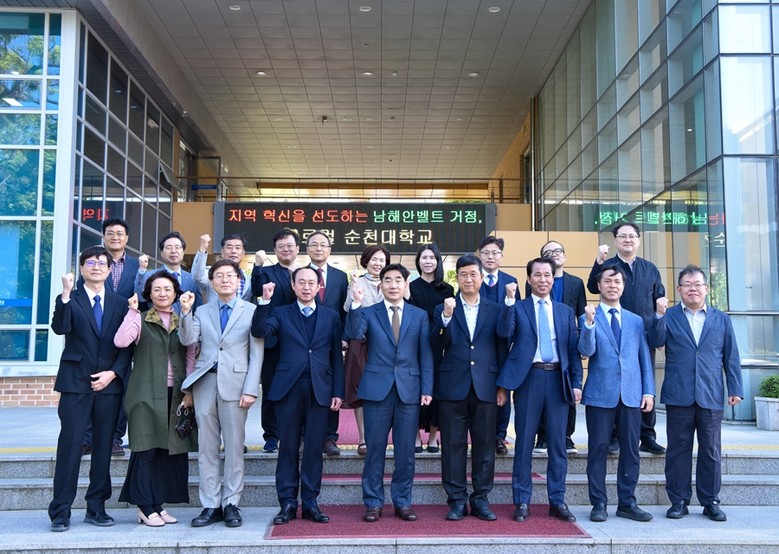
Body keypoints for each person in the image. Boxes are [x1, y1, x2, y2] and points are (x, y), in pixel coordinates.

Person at [648, 265, 743, 522]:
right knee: (678, 449)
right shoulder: (669, 316)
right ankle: (678, 500)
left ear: (706, 289)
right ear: (679, 289)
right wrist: (658, 316)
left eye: (697, 284)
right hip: (679, 393)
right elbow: (656, 341)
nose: (692, 288)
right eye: (687, 284)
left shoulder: (721, 319)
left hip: (711, 393)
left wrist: (735, 388)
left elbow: (731, 356)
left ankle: (710, 501)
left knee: (711, 450)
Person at [48, 246, 133, 532]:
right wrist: (65, 293)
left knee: (103, 449)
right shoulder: (69, 298)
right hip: (75, 383)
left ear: (109, 270)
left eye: (102, 263)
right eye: (91, 262)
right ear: (82, 268)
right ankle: (61, 510)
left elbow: (127, 346)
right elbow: (60, 328)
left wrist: (113, 373)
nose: (96, 267)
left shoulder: (120, 304)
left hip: (109, 386)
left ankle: (96, 507)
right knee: (70, 446)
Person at [251, 267, 345, 525]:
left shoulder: (331, 316)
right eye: (301, 282)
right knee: (288, 447)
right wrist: (264, 301)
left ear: (319, 286)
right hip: (288, 389)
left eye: (311, 283)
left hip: (320, 388)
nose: (306, 287)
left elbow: (336, 356)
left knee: (314, 447)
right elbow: (259, 331)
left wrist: (338, 391)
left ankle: (311, 502)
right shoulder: (280, 312)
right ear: (293, 286)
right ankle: (288, 503)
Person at [497, 257, 583, 523]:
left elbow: (572, 350)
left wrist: (576, 383)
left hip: (558, 380)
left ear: (553, 278)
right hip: (529, 380)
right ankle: (522, 501)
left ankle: (557, 501)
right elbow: (504, 333)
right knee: (524, 444)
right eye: (537, 275)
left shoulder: (565, 311)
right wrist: (509, 301)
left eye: (547, 275)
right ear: (529, 279)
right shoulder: (518, 307)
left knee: (558, 445)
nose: (543, 280)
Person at [346, 263, 434, 523]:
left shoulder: (419, 315)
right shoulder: (368, 312)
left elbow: (425, 354)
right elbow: (354, 334)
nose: (393, 285)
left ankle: (402, 502)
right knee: (375, 450)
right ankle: (373, 503)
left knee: (406, 452)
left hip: (409, 390)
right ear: (380, 285)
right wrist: (355, 304)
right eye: (388, 280)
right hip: (377, 390)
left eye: (398, 280)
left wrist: (427, 388)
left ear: (406, 285)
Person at [179, 259, 263, 528]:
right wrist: (185, 313)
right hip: (205, 383)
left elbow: (256, 354)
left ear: (239, 281)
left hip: (236, 385)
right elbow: (188, 340)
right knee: (207, 447)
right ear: (212, 282)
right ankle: (210, 503)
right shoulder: (202, 311)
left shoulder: (252, 311)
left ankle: (231, 503)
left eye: (230, 276)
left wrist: (251, 389)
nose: (225, 280)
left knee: (235, 446)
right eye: (219, 276)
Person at [114, 271, 197, 527]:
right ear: (149, 294)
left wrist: (189, 389)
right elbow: (121, 341)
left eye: (168, 289)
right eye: (157, 289)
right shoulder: (141, 319)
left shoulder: (182, 320)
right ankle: (144, 506)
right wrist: (131, 311)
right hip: (145, 394)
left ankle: (157, 505)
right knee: (145, 449)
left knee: (166, 452)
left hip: (175, 394)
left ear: (176, 294)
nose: (163, 293)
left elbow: (191, 354)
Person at [432, 254, 508, 521]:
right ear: (457, 278)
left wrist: (503, 387)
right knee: (452, 446)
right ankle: (456, 500)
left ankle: (480, 499)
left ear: (482, 277)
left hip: (486, 387)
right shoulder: (444, 308)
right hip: (452, 387)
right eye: (463, 274)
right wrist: (445, 317)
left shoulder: (495, 309)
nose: (468, 279)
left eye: (473, 274)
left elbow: (502, 348)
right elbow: (436, 344)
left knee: (485, 447)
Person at [578, 265, 655, 523]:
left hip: (631, 394)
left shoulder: (635, 320)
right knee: (598, 449)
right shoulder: (589, 316)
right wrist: (589, 324)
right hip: (600, 393)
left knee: (631, 450)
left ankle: (627, 502)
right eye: (608, 281)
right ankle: (598, 503)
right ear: (599, 285)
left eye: (617, 282)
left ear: (623, 286)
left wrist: (648, 391)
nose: (613, 286)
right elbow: (585, 351)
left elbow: (644, 358)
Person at [587, 222, 666, 455]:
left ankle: (647, 435)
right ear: (615, 241)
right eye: (622, 236)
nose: (627, 240)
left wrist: (660, 331)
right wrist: (598, 262)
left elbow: (659, 301)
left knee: (645, 383)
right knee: (613, 382)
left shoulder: (650, 268)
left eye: (632, 236)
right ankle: (613, 436)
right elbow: (592, 287)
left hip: (642, 335)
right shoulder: (609, 266)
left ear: (638, 240)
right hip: (613, 333)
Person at [78, 218, 140, 458]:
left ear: (127, 238)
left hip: (123, 334)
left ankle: (115, 438)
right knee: (90, 384)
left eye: (120, 233)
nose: (115, 237)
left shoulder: (136, 266)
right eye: (110, 233)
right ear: (104, 236)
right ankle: (87, 438)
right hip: (93, 334)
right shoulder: (93, 262)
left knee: (121, 386)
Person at [526, 240, 586, 455]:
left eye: (558, 250)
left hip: (567, 342)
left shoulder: (576, 283)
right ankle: (542, 436)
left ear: (564, 255)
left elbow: (581, 313)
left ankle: (566, 436)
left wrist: (582, 342)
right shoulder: (535, 281)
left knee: (568, 393)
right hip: (543, 343)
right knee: (543, 398)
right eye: (548, 252)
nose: (554, 254)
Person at [251, 228, 300, 453]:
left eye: (290, 245)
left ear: (297, 249)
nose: (286, 250)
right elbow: (256, 290)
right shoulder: (267, 271)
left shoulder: (305, 273)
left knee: (298, 390)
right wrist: (257, 266)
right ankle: (271, 435)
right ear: (275, 250)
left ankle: (297, 433)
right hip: (272, 340)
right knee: (271, 389)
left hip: (298, 341)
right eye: (281, 246)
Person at [342, 245, 391, 456]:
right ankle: (362, 438)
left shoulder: (390, 282)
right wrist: (354, 290)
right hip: (360, 343)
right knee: (359, 389)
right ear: (366, 261)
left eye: (382, 260)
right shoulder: (357, 282)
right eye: (374, 259)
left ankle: (379, 437)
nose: (378, 263)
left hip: (386, 344)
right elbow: (347, 308)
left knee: (384, 390)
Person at [306, 231, 349, 457]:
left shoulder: (341, 277)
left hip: (332, 342)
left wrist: (344, 336)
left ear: (330, 250)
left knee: (333, 388)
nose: (319, 248)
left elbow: (345, 310)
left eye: (323, 245)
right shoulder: (300, 274)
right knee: (306, 388)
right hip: (306, 342)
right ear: (307, 249)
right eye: (314, 245)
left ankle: (330, 437)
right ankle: (304, 436)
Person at [408, 243, 454, 454]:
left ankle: (434, 436)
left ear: (438, 261)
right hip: (413, 344)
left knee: (436, 388)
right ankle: (416, 435)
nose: (428, 262)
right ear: (418, 261)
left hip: (438, 344)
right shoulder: (410, 287)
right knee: (414, 388)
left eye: (432, 258)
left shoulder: (447, 289)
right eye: (424, 258)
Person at [477, 235, 518, 456]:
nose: (490, 257)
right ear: (480, 256)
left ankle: (500, 436)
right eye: (486, 253)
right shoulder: (473, 278)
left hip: (503, 343)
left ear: (501, 257)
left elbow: (516, 314)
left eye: (495, 253)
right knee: (481, 388)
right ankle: (482, 434)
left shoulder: (511, 281)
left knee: (503, 387)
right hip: (479, 344)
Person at [136, 231, 203, 314]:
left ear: (183, 252)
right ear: (162, 253)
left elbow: (198, 308)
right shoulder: (150, 276)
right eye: (168, 247)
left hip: (186, 321)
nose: (173, 251)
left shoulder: (192, 279)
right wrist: (142, 270)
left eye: (177, 247)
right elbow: (140, 297)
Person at [193, 233, 254, 303]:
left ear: (243, 253)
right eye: (229, 247)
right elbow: (198, 276)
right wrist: (203, 248)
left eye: (237, 248)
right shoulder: (211, 272)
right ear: (222, 252)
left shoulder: (249, 280)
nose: (233, 251)